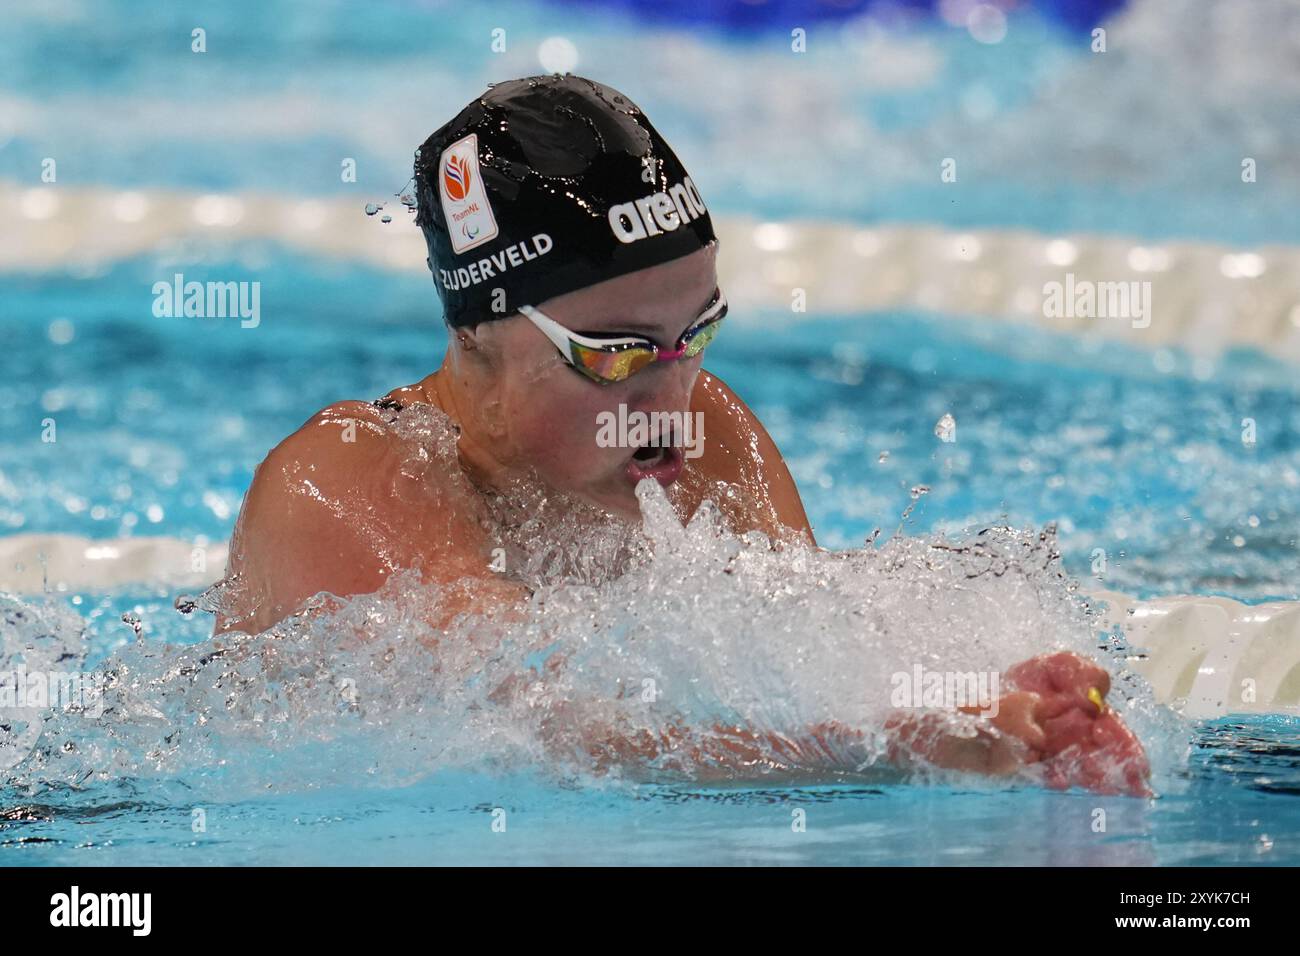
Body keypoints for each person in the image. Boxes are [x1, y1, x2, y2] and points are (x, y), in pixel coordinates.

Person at [214, 74, 1150, 795]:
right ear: (477, 338)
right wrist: (887, 747)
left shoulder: (707, 427)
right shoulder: (349, 485)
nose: (672, 395)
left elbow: (801, 655)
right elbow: (551, 744)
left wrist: (986, 695)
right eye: (616, 354)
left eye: (696, 335)